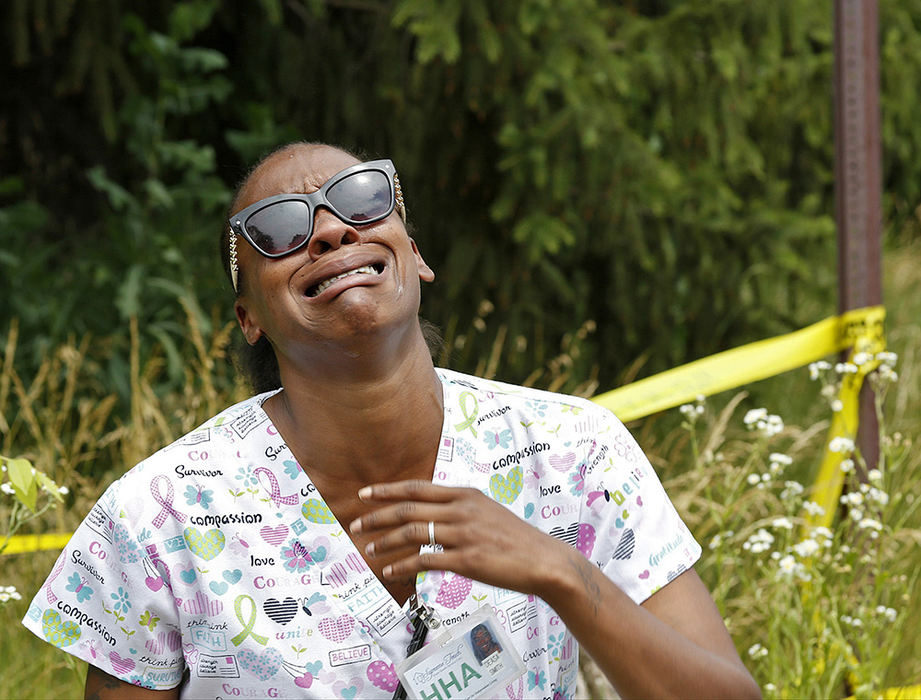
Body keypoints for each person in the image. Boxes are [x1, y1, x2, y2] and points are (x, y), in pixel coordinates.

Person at [24, 142, 760, 699]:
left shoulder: (573, 452)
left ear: (415, 256)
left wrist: (561, 572)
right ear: (248, 317)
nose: (331, 232)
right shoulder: (158, 516)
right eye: (277, 229)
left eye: (363, 200)